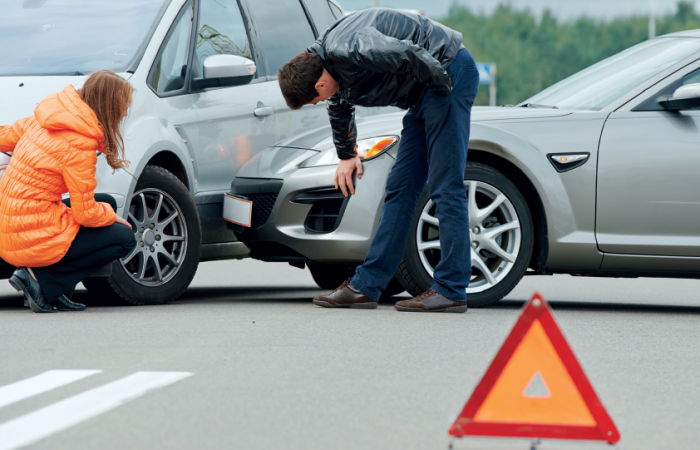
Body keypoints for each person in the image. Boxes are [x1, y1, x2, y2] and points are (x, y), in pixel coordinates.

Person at [278, 8, 479, 313]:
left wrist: (443, 93)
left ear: (318, 85)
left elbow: (410, 54)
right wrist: (346, 155)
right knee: (400, 187)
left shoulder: (353, 48)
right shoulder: (325, 62)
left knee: (444, 184)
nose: (320, 102)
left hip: (446, 75)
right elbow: (340, 105)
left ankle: (451, 289)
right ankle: (366, 287)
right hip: (424, 92)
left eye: (314, 100)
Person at [0, 70, 137, 313]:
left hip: (9, 221)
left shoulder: (47, 118)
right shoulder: (79, 143)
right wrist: (110, 216)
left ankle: (55, 290)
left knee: (106, 202)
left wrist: (105, 210)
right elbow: (85, 214)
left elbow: (6, 135)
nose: (125, 113)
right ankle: (40, 279)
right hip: (28, 233)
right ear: (110, 107)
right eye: (123, 107)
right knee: (125, 238)